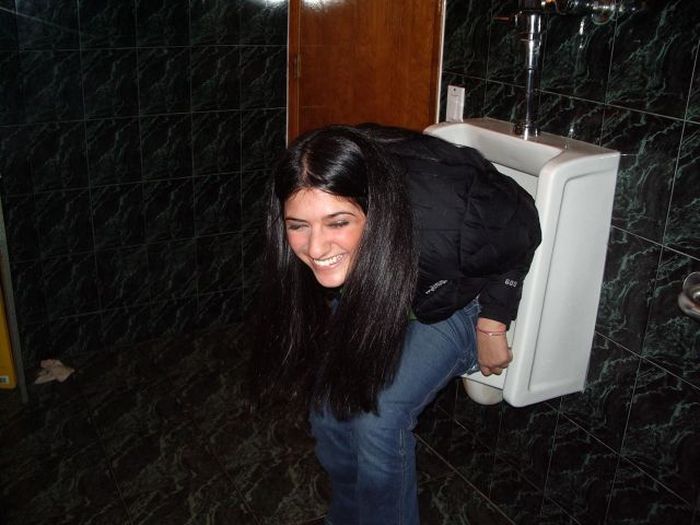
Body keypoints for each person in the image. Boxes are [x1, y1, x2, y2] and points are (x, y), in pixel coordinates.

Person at [249, 124, 541, 524]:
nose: (314, 248)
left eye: (337, 222)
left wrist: (493, 321)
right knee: (328, 409)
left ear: (375, 208)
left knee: (379, 418)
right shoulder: (328, 182)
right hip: (386, 282)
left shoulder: (448, 221)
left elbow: (523, 228)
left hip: (458, 295)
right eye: (299, 225)